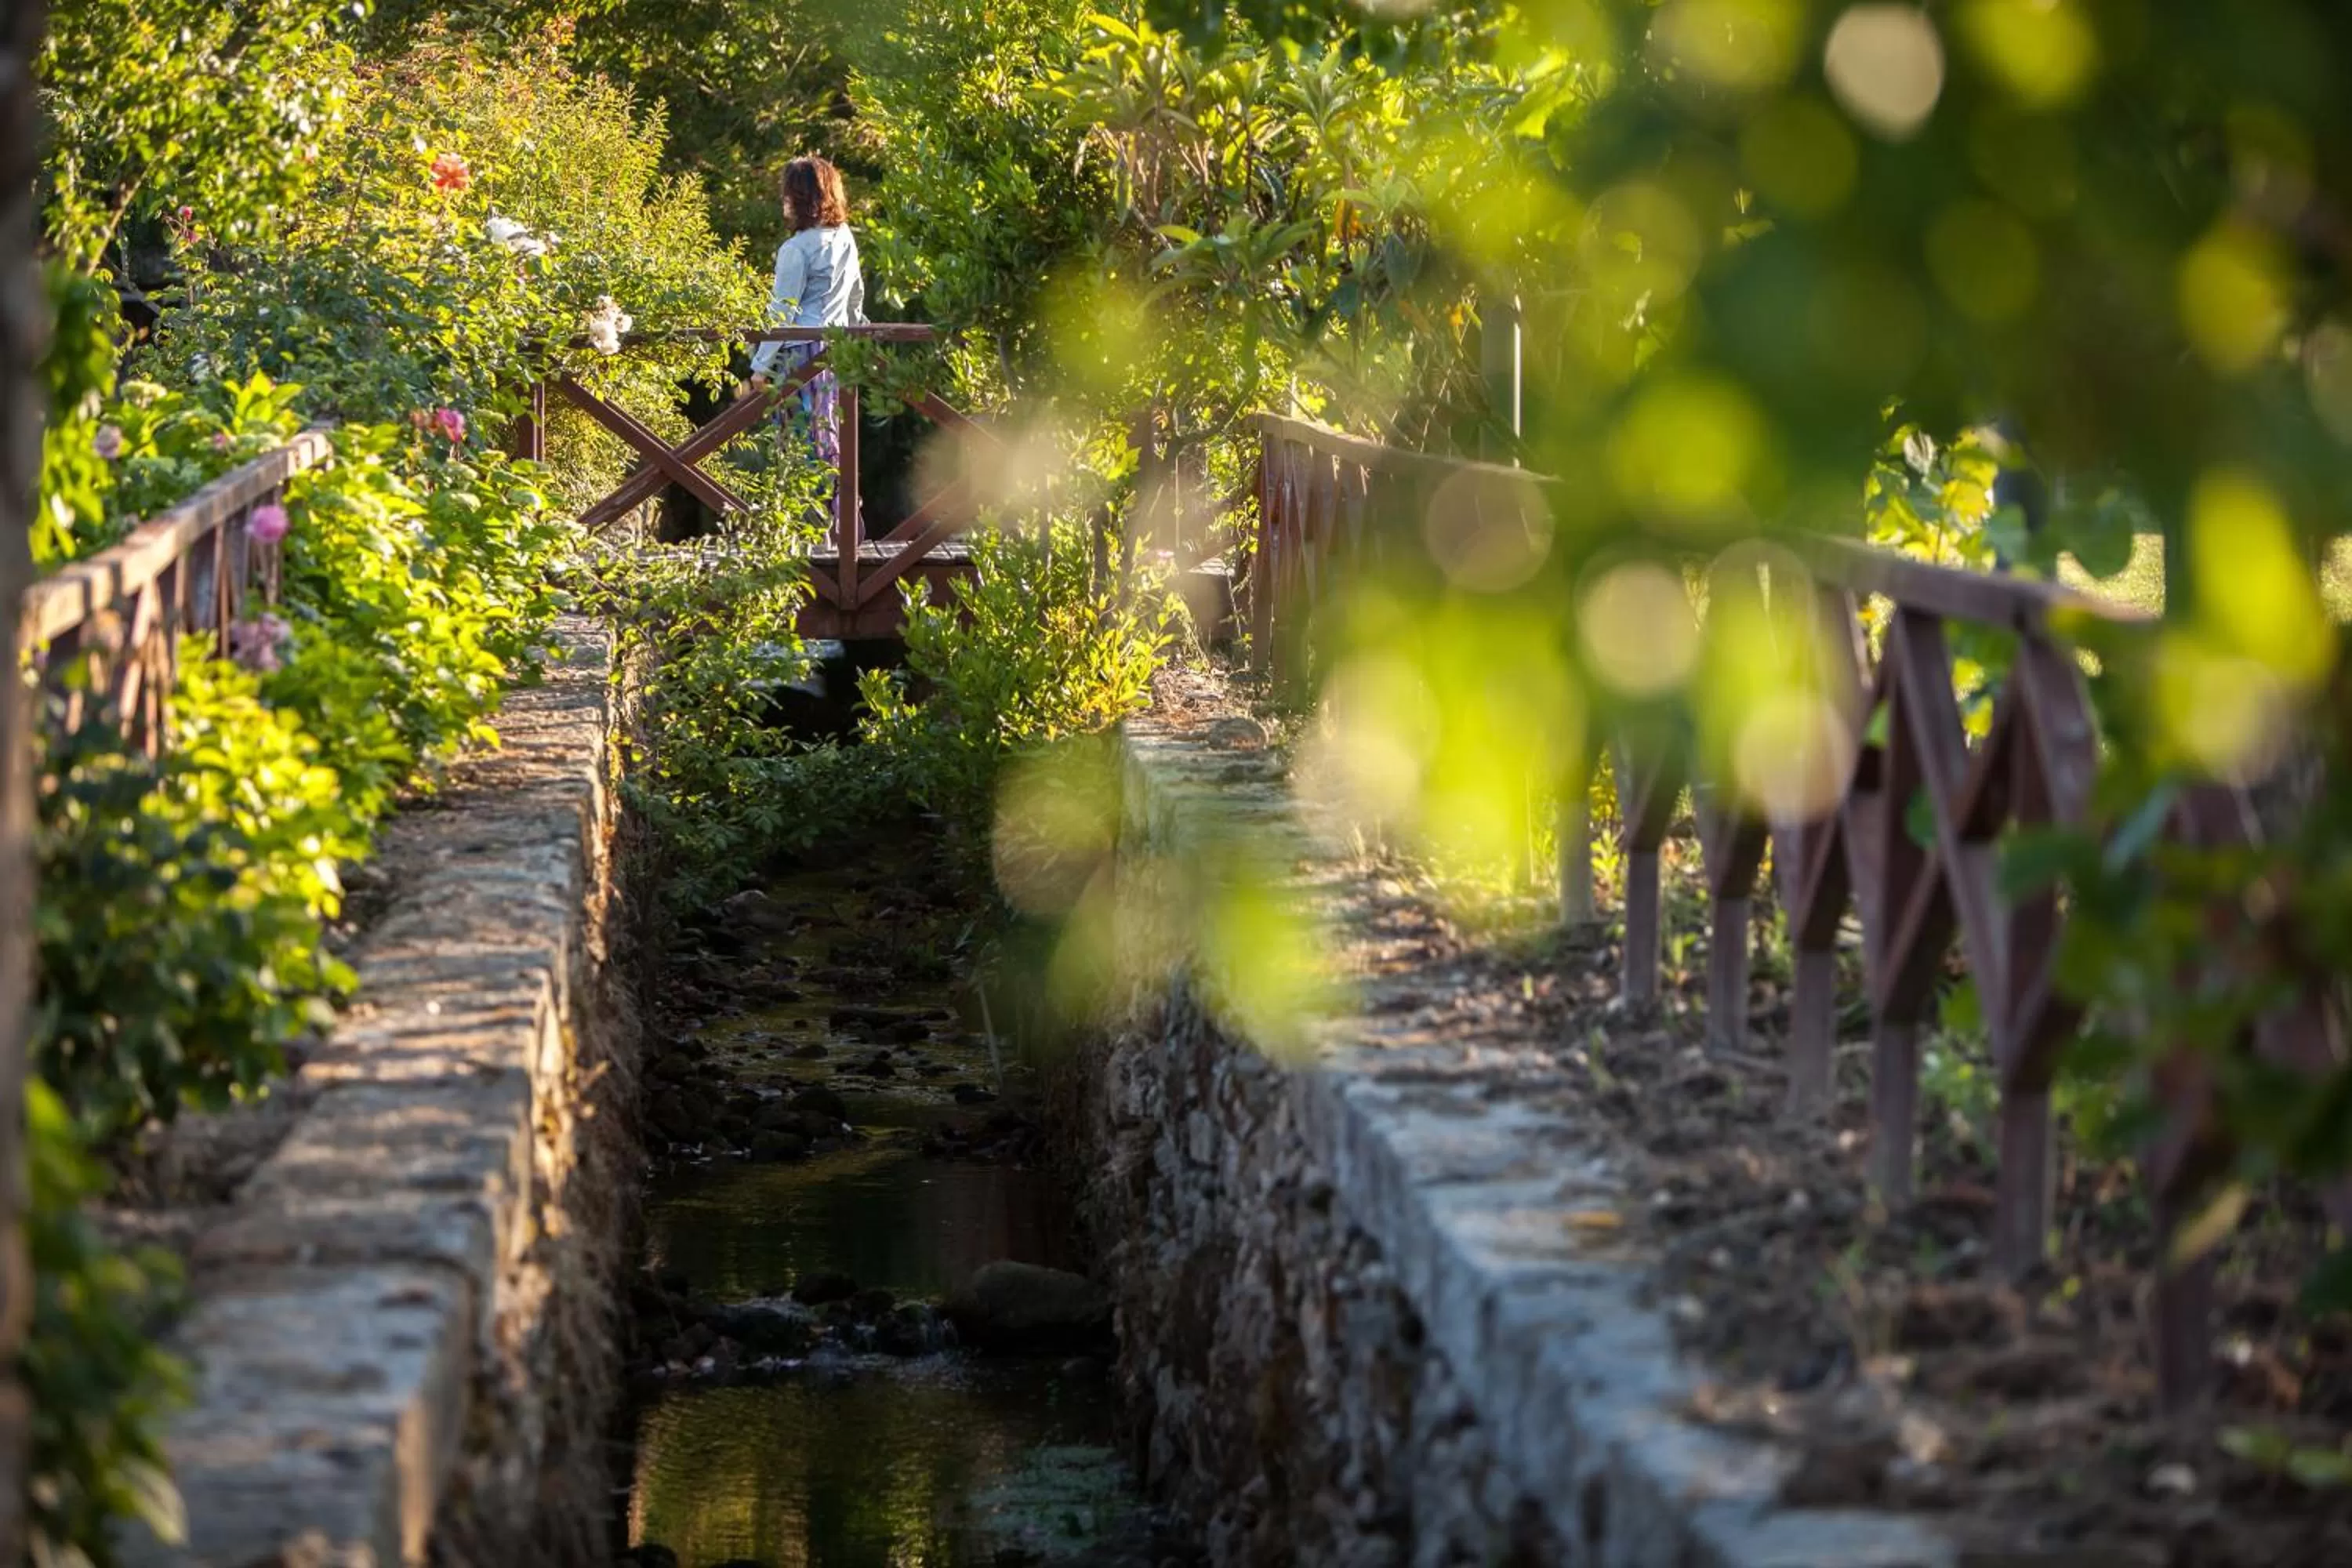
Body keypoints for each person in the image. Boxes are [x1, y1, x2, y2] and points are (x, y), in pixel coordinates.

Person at [743, 155, 866, 482]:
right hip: (836, 351)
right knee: (830, 435)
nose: (783, 200)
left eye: (788, 193)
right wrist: (858, 340)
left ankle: (813, 528)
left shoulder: (795, 249)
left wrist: (760, 367)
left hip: (800, 356)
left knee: (798, 442)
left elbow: (782, 312)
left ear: (800, 198)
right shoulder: (845, 237)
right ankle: (842, 522)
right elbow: (856, 297)